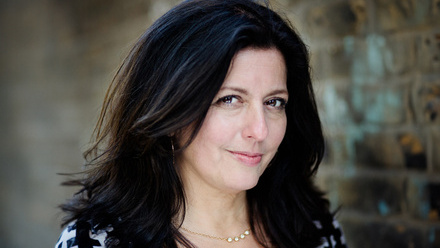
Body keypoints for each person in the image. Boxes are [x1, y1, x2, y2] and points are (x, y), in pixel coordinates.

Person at [55, 0, 347, 247]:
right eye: (230, 100)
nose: (260, 131)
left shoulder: (314, 229)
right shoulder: (95, 242)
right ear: (170, 110)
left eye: (274, 102)